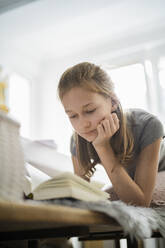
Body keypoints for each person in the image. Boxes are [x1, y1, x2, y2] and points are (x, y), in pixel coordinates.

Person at [57, 62, 165, 207]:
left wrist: (103, 147)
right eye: (72, 116)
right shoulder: (77, 140)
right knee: (107, 200)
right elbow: (81, 191)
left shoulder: (148, 125)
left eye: (90, 111)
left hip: (162, 168)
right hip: (131, 178)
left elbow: (140, 203)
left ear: (113, 101)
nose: (83, 124)